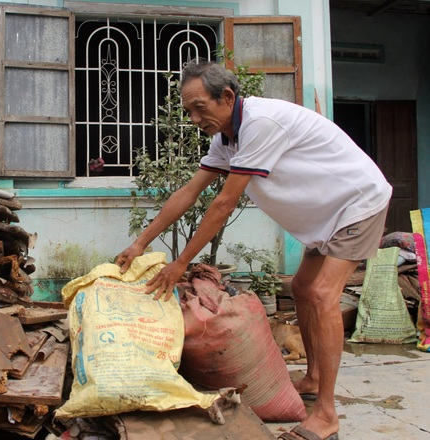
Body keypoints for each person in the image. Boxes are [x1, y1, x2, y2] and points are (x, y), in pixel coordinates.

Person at [115, 59, 391, 440]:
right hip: (326, 214)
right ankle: (312, 379)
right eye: (188, 110)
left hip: (356, 204)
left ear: (227, 96)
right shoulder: (225, 138)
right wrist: (139, 242)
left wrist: (181, 263)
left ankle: (326, 415)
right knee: (301, 289)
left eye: (200, 107)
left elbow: (223, 204)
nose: (194, 118)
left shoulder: (260, 123)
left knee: (324, 294)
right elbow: (189, 192)